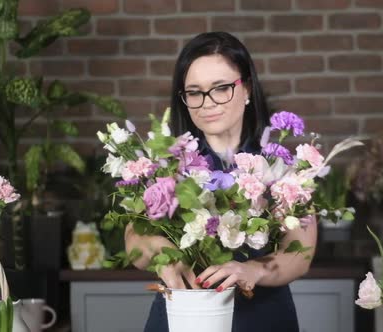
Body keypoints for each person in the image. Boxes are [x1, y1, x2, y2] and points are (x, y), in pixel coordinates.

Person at [124, 31, 318, 332]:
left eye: (221, 88)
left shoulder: (282, 166)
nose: (208, 102)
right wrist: (163, 256)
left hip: (261, 317)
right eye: (194, 92)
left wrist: (252, 269)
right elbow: (134, 237)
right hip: (183, 317)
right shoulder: (166, 163)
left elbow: (300, 253)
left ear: (247, 88)